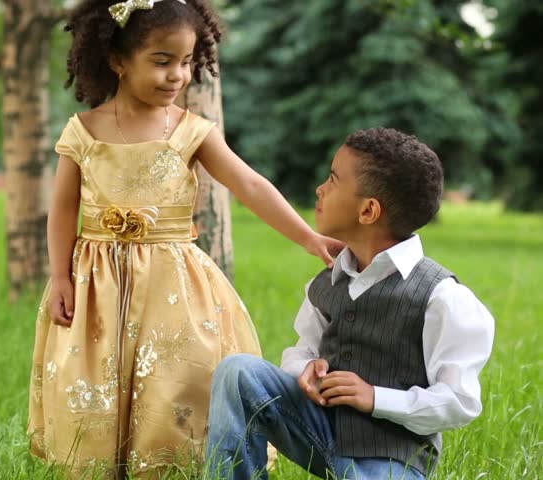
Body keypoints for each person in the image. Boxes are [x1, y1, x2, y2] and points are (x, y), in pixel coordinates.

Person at [27, 0, 343, 477]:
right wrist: (60, 276)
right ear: (117, 60)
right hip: (97, 287)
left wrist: (308, 237)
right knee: (95, 381)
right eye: (162, 61)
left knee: (174, 382)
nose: (177, 75)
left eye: (186, 62)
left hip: (171, 286)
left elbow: (249, 184)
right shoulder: (83, 132)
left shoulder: (191, 131)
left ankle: (172, 467)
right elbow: (64, 209)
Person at [205, 128, 496, 479]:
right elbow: (301, 351)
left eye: (332, 180)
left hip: (389, 458)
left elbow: (459, 402)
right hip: (318, 428)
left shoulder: (442, 297)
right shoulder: (328, 281)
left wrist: (375, 397)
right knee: (238, 372)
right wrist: (306, 369)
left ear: (368, 210)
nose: (320, 189)